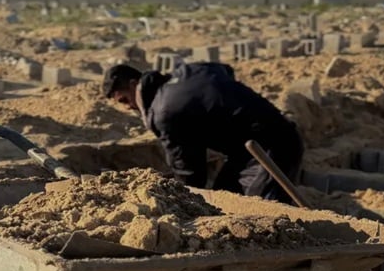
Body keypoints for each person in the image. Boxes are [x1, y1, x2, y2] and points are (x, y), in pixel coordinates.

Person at [102, 62, 303, 202]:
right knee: (224, 196)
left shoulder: (164, 112)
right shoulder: (188, 72)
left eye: (124, 100)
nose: (128, 107)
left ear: (133, 84)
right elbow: (225, 70)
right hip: (246, 149)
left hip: (271, 149)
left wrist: (184, 202)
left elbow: (189, 172)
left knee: (262, 214)